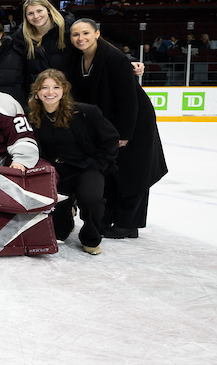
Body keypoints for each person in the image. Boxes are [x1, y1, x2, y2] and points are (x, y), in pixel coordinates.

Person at [67, 19, 168, 238]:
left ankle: (129, 225)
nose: (80, 38)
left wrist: (123, 134)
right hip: (108, 124)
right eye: (75, 34)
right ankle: (110, 219)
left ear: (97, 33)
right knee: (112, 173)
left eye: (85, 33)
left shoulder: (115, 58)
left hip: (133, 123)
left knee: (133, 174)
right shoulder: (78, 57)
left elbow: (127, 100)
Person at [28, 69, 119, 255]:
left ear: (64, 90)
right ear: (36, 92)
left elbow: (110, 140)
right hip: (56, 173)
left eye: (56, 87)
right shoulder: (30, 117)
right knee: (58, 231)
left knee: (91, 200)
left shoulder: (86, 112)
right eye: (44, 87)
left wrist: (98, 165)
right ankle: (66, 214)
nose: (50, 92)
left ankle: (90, 236)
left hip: (86, 168)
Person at [17, 0, 73, 89]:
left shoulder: (68, 31)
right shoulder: (21, 39)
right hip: (38, 95)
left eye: (39, 11)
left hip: (67, 93)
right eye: (30, 13)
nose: (36, 16)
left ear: (48, 10)